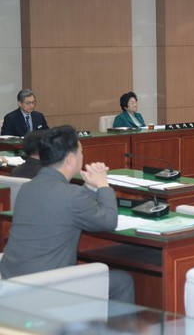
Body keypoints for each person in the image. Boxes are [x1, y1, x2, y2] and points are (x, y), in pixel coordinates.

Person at [0, 126, 135, 303]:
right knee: (123, 281)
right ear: (71, 159)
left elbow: (65, 206)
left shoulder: (27, 188)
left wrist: (90, 187)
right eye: (81, 152)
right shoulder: (70, 195)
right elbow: (109, 221)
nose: (82, 156)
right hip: (47, 287)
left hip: (12, 282)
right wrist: (103, 185)